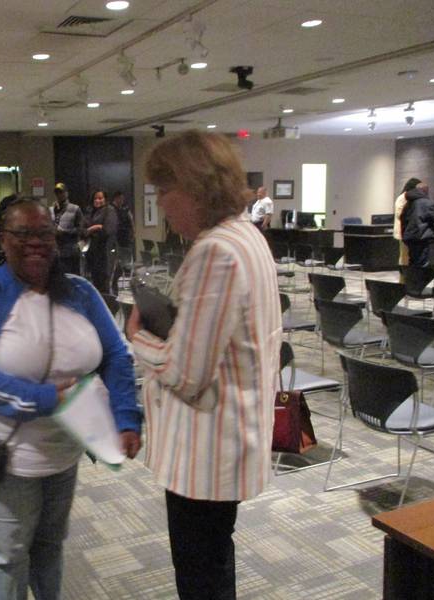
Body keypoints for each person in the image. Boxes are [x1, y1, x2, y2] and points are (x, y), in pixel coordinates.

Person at [0, 197, 142, 600]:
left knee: (50, 547)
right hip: (6, 454)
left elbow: (118, 354)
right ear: (3, 239)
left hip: (63, 451)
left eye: (45, 233)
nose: (36, 242)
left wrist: (126, 417)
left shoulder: (80, 292)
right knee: (10, 556)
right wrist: (43, 398)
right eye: (23, 234)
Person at [126, 131, 281, 600]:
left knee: (200, 574)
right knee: (213, 559)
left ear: (194, 187)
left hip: (206, 448)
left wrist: (138, 339)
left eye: (163, 192)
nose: (162, 206)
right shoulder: (246, 236)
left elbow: (187, 375)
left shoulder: (215, 250)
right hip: (229, 436)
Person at [401, 182, 434, 267]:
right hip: (422, 237)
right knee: (422, 263)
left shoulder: (409, 202)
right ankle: (419, 279)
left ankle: (411, 279)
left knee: (412, 261)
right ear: (426, 191)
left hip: (409, 237)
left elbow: (402, 218)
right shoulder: (427, 203)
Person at [84, 189, 118, 293]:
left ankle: (109, 306)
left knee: (106, 283)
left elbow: (107, 230)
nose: (97, 201)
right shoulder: (90, 211)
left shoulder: (110, 210)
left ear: (105, 199)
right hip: (93, 253)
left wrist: (93, 229)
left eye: (100, 198)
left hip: (106, 252)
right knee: (95, 282)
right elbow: (83, 229)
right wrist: (96, 227)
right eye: (95, 198)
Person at [51, 183, 84, 275]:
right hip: (55, 251)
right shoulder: (51, 210)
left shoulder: (75, 209)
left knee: (72, 278)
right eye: (57, 193)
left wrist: (64, 232)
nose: (59, 195)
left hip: (70, 250)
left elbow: (80, 230)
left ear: (66, 193)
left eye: (61, 192)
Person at [394, 178, 422, 274]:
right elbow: (400, 214)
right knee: (404, 258)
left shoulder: (413, 198)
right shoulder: (403, 198)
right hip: (404, 232)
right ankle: (403, 280)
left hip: (412, 233)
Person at [111, 191, 135, 294]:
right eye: (120, 198)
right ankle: (114, 285)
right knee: (118, 264)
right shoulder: (111, 209)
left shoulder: (125, 209)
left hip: (126, 240)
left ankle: (122, 285)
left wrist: (133, 233)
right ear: (116, 198)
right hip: (116, 239)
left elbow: (131, 221)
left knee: (126, 263)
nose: (122, 200)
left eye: (123, 198)